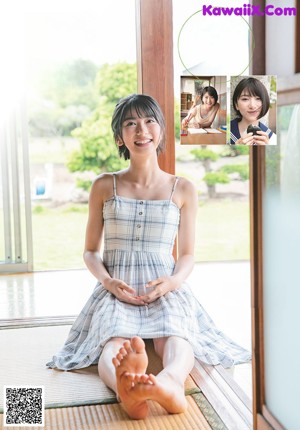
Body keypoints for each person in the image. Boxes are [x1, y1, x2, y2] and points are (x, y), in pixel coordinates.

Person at [47, 94, 250, 420]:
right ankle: (125, 387)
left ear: (160, 130)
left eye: (149, 121)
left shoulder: (182, 188)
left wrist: (172, 282)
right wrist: (108, 281)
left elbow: (186, 256)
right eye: (130, 123)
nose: (141, 130)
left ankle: (170, 382)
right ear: (120, 138)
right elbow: (89, 251)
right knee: (113, 338)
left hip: (164, 284)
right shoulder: (104, 185)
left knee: (176, 333)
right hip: (119, 286)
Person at [230, 77, 277, 145]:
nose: (252, 106)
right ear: (236, 105)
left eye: (258, 98)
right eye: (245, 99)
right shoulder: (227, 132)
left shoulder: (272, 138)